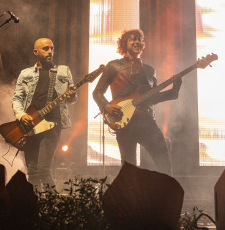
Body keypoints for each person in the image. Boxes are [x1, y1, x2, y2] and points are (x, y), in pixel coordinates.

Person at [92, 29, 182, 175]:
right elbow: (96, 92)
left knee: (163, 159)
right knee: (128, 168)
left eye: (139, 39)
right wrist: (106, 106)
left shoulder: (149, 70)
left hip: (146, 121)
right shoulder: (113, 66)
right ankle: (128, 197)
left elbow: (153, 97)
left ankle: (164, 195)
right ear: (124, 43)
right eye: (132, 39)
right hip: (123, 122)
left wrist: (174, 90)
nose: (137, 42)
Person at [12, 38, 77, 189]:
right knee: (33, 172)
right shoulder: (26, 73)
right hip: (30, 125)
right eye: (46, 49)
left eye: (52, 48)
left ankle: (53, 207)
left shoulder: (63, 70)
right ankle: (35, 208)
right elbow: (17, 98)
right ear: (36, 52)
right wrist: (21, 115)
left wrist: (72, 95)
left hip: (52, 123)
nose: (50, 52)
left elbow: (71, 98)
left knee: (44, 170)